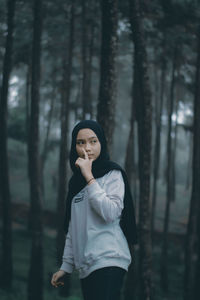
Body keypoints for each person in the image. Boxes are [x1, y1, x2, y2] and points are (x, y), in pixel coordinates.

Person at [51, 120, 138, 300]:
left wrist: (90, 177)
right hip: (86, 267)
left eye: (93, 141)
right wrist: (65, 267)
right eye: (80, 143)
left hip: (110, 259)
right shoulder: (75, 184)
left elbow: (111, 213)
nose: (87, 148)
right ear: (74, 147)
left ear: (102, 143)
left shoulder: (113, 174)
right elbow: (72, 229)